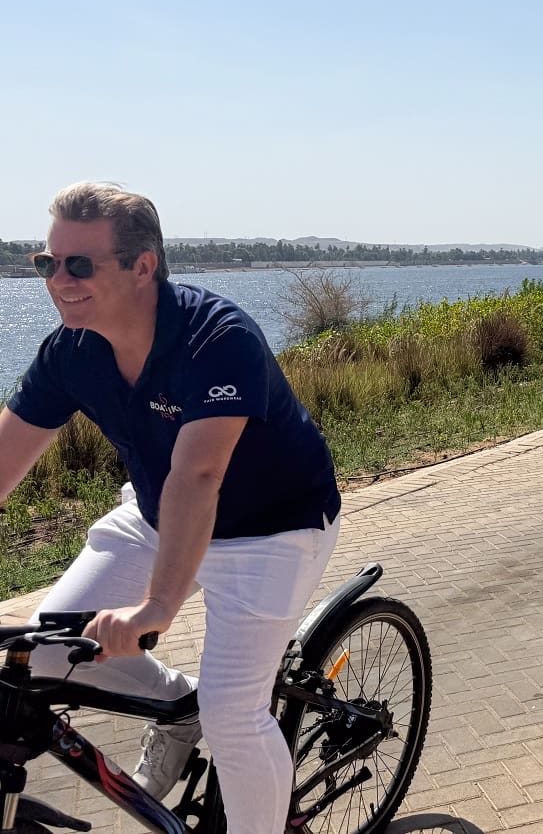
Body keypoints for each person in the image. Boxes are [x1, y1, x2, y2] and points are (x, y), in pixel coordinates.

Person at [0, 183, 342, 834]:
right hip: (157, 516)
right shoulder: (71, 351)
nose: (57, 280)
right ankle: (176, 708)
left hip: (270, 530)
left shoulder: (216, 338)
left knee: (234, 714)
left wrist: (158, 608)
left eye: (79, 264)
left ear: (143, 267)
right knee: (47, 652)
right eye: (47, 263)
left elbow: (199, 475)